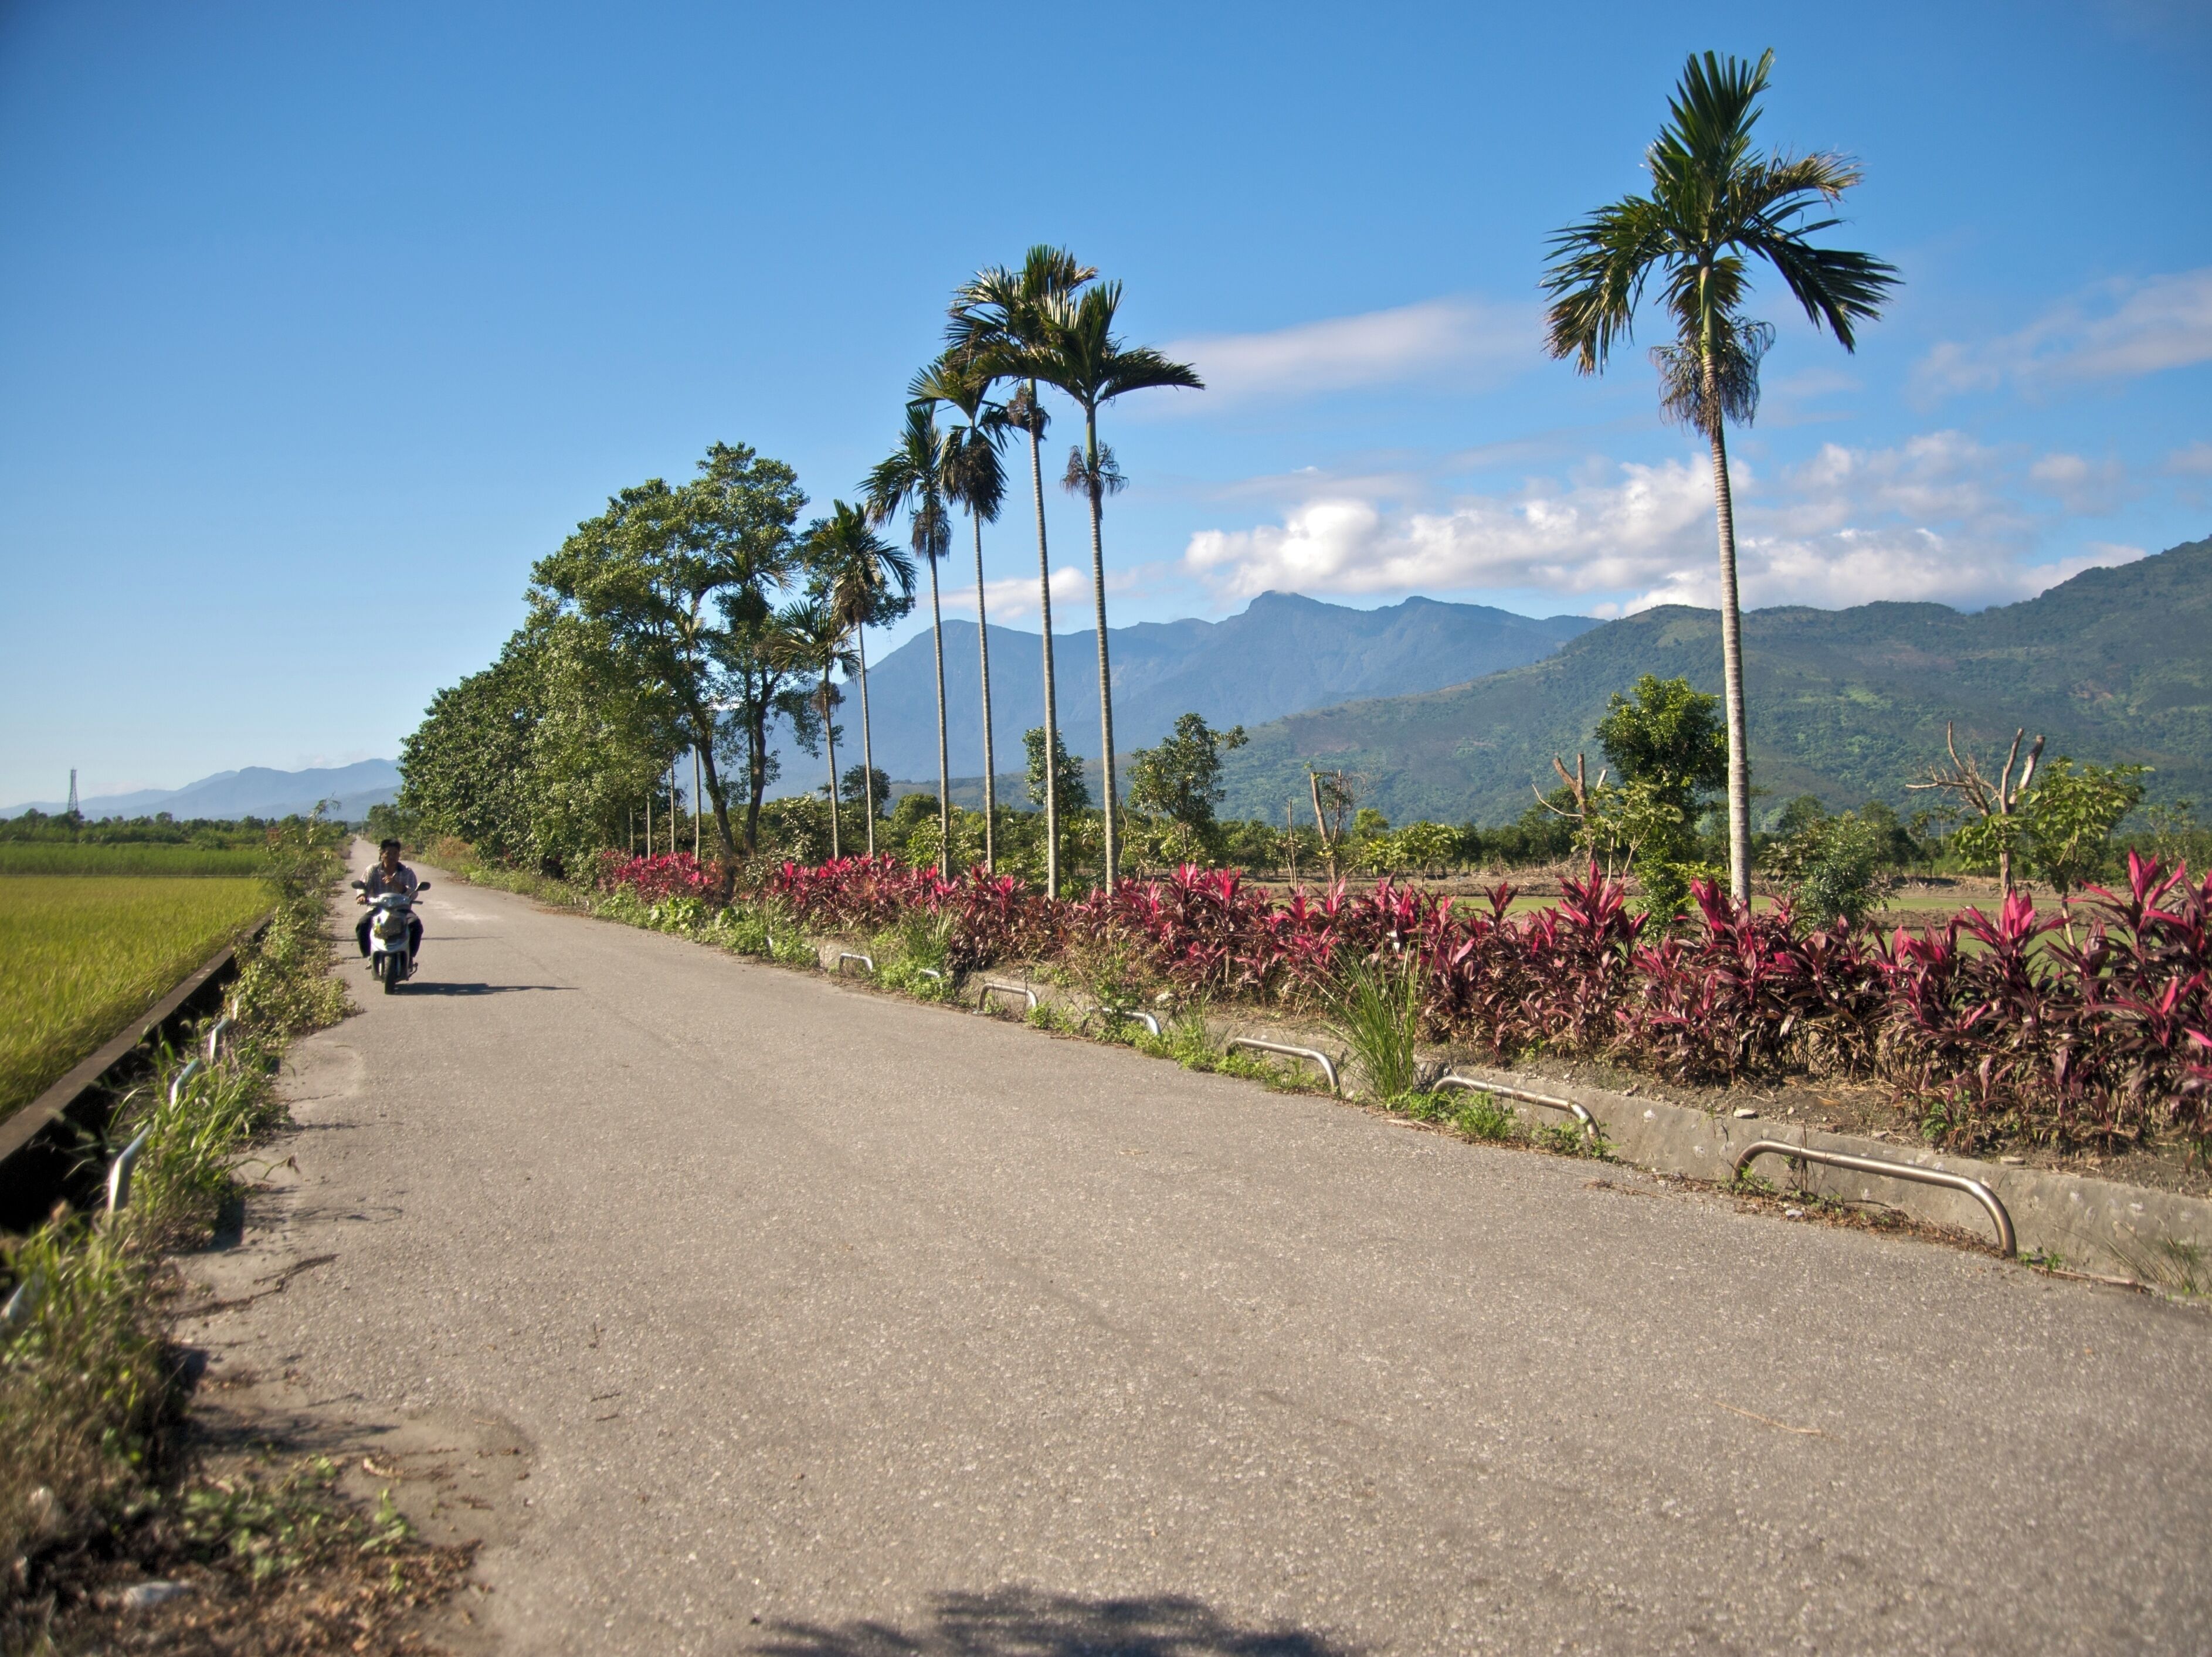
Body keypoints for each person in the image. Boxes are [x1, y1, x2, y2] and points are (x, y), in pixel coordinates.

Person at [355, 838, 424, 966]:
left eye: (395, 853)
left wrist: (397, 885)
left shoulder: (407, 872)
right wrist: (362, 896)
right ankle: (369, 956)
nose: (392, 857)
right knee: (363, 925)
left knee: (416, 925)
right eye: (388, 853)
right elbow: (363, 886)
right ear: (382, 854)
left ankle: (409, 957)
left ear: (399, 855)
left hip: (401, 909)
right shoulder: (372, 870)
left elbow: (414, 894)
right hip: (377, 908)